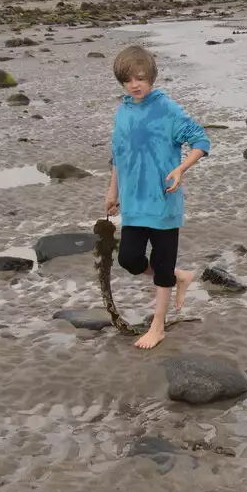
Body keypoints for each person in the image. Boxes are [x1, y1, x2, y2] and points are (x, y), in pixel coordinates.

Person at [103, 45, 210, 349]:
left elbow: (201, 139)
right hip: (134, 201)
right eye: (127, 80)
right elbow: (118, 156)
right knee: (129, 258)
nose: (133, 85)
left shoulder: (167, 109)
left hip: (163, 200)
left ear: (151, 76)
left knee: (161, 264)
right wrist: (112, 192)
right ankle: (179, 276)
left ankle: (158, 326)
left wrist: (181, 169)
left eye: (139, 78)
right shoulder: (124, 110)